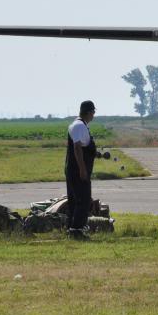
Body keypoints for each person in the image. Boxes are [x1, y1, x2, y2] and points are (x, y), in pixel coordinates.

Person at [65, 100, 98, 240]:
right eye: (93, 112)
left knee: (75, 200)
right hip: (78, 171)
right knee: (83, 200)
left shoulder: (79, 125)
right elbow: (77, 148)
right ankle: (77, 231)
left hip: (74, 170)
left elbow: (84, 148)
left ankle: (72, 229)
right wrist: (82, 169)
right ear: (89, 112)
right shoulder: (79, 126)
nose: (94, 115)